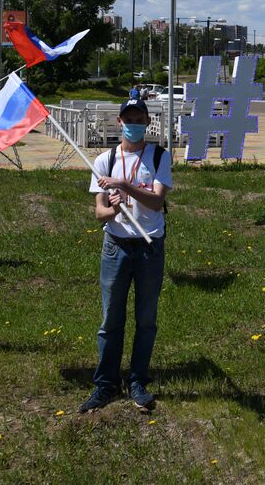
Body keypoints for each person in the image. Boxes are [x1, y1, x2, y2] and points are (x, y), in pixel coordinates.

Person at [79, 93, 173, 414]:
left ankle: (137, 381)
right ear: (119, 122)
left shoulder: (160, 157)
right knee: (110, 319)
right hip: (116, 247)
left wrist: (125, 186)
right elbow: (99, 213)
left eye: (139, 120)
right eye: (127, 120)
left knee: (146, 319)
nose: (133, 125)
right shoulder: (105, 160)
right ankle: (105, 383)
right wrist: (113, 210)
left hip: (149, 247)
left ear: (147, 122)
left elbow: (157, 201)